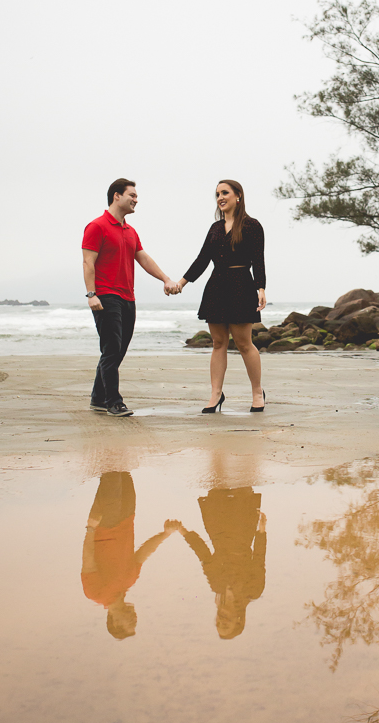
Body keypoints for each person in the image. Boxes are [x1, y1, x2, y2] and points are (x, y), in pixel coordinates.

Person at [169, 179, 266, 413]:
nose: (220, 197)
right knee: (218, 343)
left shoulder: (252, 225)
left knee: (244, 344)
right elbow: (202, 259)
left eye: (225, 193)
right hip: (216, 288)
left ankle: (256, 392)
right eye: (217, 194)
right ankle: (216, 394)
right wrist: (182, 282)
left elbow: (258, 259)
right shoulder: (214, 228)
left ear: (238, 196)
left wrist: (260, 288)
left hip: (242, 285)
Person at [82, 178, 177, 416]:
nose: (136, 200)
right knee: (112, 349)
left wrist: (165, 279)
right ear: (116, 196)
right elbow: (88, 262)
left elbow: (143, 258)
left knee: (116, 350)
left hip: (128, 298)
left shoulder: (130, 231)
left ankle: (97, 397)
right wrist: (91, 294)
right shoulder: (97, 226)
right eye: (132, 195)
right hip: (106, 296)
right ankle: (114, 402)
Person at [81, 471, 181, 639]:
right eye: (135, 621)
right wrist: (165, 534)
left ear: (115, 622)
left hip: (104, 525)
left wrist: (91, 528)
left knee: (111, 472)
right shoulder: (129, 581)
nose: (134, 618)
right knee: (124, 471)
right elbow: (144, 553)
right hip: (127, 517)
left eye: (130, 622)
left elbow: (88, 560)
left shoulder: (96, 593)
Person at [176, 487, 267, 639]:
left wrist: (182, 530)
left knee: (217, 480)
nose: (221, 620)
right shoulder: (253, 591)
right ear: (238, 621)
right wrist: (261, 531)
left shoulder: (216, 586)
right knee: (241, 481)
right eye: (226, 624)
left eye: (218, 623)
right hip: (242, 527)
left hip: (217, 527)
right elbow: (259, 558)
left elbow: (204, 555)